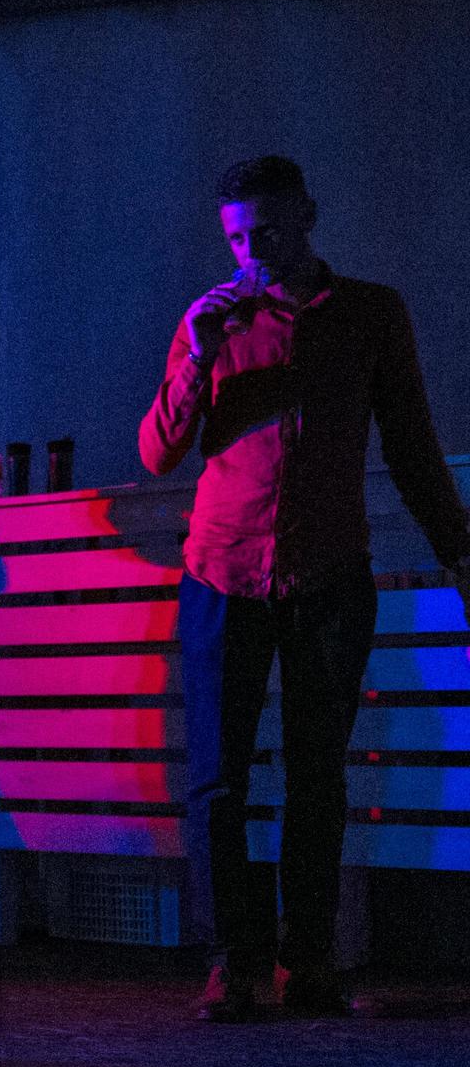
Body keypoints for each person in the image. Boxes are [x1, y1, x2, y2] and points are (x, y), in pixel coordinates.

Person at [140, 156, 470, 1021]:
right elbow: (159, 450)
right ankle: (231, 962)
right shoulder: (214, 320)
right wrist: (197, 355)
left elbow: (410, 443)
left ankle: (308, 961)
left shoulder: (369, 313)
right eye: (237, 238)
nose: (252, 252)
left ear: (309, 216)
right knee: (217, 780)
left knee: (317, 775)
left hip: (327, 574)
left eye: (268, 232)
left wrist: (458, 551)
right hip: (224, 573)